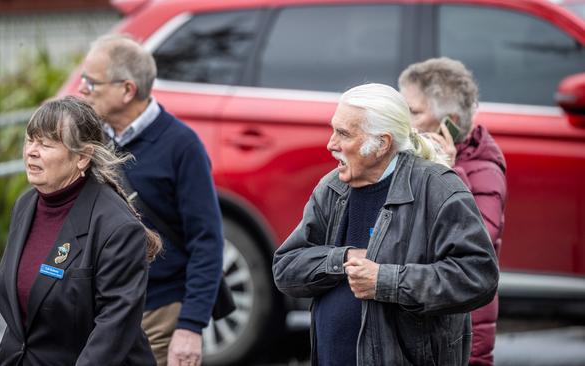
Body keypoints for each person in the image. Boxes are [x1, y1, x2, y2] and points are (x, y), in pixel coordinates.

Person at [272, 83, 499, 366]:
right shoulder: (332, 188)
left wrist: (385, 281)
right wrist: (344, 258)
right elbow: (286, 268)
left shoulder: (438, 188)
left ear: (382, 144)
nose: (331, 144)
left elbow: (477, 277)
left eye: (343, 134)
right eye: (333, 130)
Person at [78, 34, 224, 366]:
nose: (82, 89)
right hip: (103, 309)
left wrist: (190, 326)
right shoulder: (92, 140)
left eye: (92, 82)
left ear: (127, 90)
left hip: (159, 310)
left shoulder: (182, 145)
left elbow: (207, 241)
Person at [0, 96, 161, 366]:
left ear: (82, 157)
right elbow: (22, 319)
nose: (32, 151)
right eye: (30, 140)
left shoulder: (116, 226)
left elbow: (113, 329)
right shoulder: (25, 205)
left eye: (46, 144)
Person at [399, 57, 507, 366]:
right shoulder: (417, 159)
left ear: (451, 123)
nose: (404, 121)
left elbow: (476, 239)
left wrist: (448, 171)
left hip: (465, 326)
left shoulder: (483, 170)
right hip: (431, 312)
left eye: (414, 112)